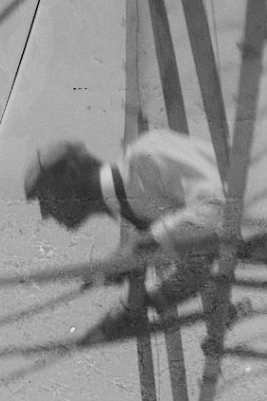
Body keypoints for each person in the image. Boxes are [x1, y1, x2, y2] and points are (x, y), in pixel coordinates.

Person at [24, 129, 226, 342]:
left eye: (44, 197)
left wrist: (147, 244)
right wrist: (135, 308)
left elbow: (217, 206)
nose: (45, 213)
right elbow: (197, 269)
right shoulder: (136, 219)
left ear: (72, 176)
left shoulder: (145, 153)